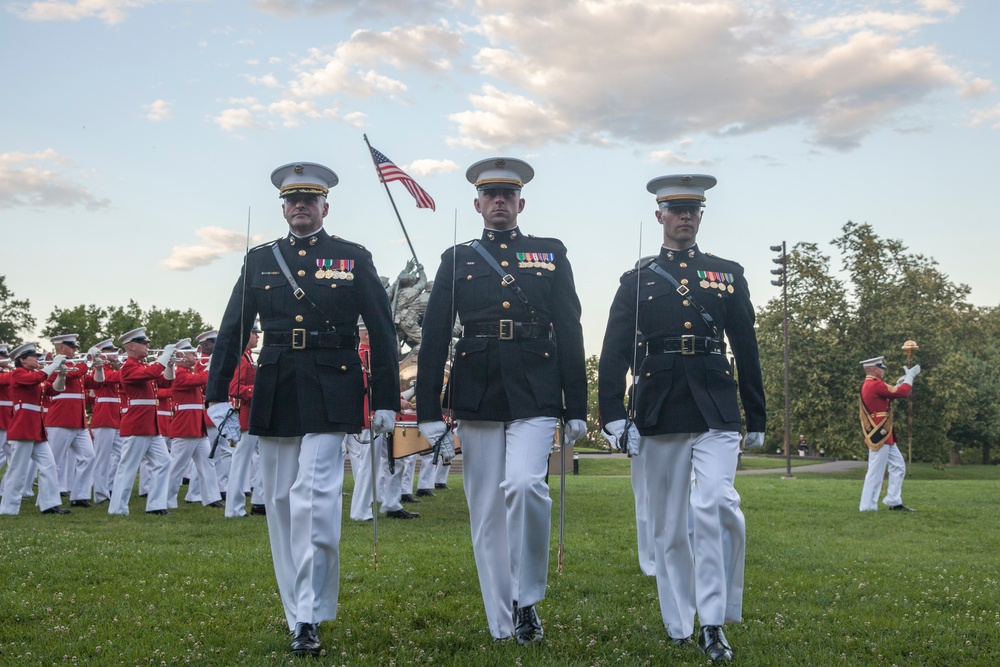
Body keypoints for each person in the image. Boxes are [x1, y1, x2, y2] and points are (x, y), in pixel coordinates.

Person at [205, 161, 399, 656]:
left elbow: (381, 331)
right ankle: (297, 611)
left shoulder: (352, 258)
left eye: (309, 200)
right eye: (292, 200)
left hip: (332, 383)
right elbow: (232, 331)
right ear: (284, 207)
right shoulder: (260, 260)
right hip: (276, 383)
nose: (300, 207)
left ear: (324, 206)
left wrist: (386, 400)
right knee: (282, 506)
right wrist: (213, 394)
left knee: (314, 495)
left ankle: (311, 613)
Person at [416, 157, 588, 645]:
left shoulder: (549, 253)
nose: (499, 202)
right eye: (490, 195)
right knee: (486, 510)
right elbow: (433, 339)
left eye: (507, 195)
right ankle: (502, 614)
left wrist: (577, 404)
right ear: (476, 204)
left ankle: (527, 598)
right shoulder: (457, 258)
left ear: (521, 203)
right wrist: (428, 410)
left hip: (535, 385)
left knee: (524, 485)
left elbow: (571, 329)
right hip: (477, 386)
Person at [598, 174, 766, 663]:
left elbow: (747, 348)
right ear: (660, 216)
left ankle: (713, 622)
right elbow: (613, 353)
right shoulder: (638, 280)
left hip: (715, 403)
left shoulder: (726, 273)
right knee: (669, 527)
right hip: (658, 405)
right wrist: (611, 415)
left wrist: (754, 413)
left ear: (700, 215)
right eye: (676, 209)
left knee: (716, 504)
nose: (685, 216)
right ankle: (679, 621)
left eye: (694, 208)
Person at [108, 327, 175, 516]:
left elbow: (165, 381)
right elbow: (153, 372)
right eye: (143, 343)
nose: (147, 346)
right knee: (127, 467)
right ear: (131, 346)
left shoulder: (143, 366)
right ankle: (117, 508)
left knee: (163, 462)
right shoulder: (128, 367)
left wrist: (169, 363)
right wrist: (164, 357)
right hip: (137, 423)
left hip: (150, 424)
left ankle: (156, 505)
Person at [0, 343, 69, 515]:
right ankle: (8, 508)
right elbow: (37, 379)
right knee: (18, 470)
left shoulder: (33, 376)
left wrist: (61, 376)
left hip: (36, 428)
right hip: (23, 427)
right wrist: (53, 365)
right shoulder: (18, 374)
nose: (37, 359)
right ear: (22, 360)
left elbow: (54, 391)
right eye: (34, 356)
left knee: (49, 465)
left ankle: (50, 504)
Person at [166, 339, 223, 510]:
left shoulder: (188, 372)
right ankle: (166, 499)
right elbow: (202, 378)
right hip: (186, 426)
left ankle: (211, 498)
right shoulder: (180, 374)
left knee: (207, 463)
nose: (195, 355)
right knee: (177, 466)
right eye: (191, 353)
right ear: (181, 356)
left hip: (197, 426)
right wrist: (211, 365)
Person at [858, 356, 920, 512]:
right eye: (881, 368)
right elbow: (901, 393)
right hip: (880, 432)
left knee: (898, 466)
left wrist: (902, 382)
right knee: (875, 472)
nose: (883, 370)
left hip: (884, 432)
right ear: (875, 369)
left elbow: (891, 391)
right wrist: (910, 378)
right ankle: (867, 507)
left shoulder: (872, 384)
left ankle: (893, 500)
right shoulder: (874, 384)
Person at [44, 333, 99, 507]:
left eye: (75, 347)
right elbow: (75, 375)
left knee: (88, 457)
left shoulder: (75, 366)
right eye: (71, 346)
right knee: (54, 462)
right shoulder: (58, 365)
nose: (75, 349)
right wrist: (88, 359)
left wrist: (99, 367)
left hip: (78, 421)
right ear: (60, 347)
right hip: (60, 420)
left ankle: (79, 496)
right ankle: (47, 499)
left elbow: (95, 384)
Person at [225, 323, 262, 517]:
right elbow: (234, 389)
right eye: (254, 333)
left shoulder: (248, 357)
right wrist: (259, 390)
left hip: (255, 414)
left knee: (263, 460)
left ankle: (259, 501)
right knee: (241, 461)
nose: (257, 336)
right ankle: (234, 507)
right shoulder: (241, 358)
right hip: (247, 415)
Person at [89, 339, 123, 504]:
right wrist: (127, 368)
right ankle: (100, 494)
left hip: (115, 417)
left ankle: (110, 486)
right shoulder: (100, 370)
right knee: (102, 459)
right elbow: (112, 378)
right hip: (104, 417)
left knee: (125, 454)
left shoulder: (113, 369)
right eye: (109, 350)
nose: (114, 353)